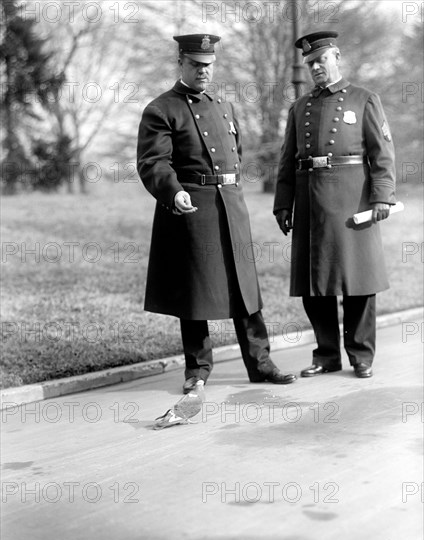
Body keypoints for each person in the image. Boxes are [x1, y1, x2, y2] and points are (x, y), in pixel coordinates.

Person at [137, 34, 296, 393]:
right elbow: (153, 163)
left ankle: (261, 363)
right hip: (192, 207)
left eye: (208, 65)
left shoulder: (224, 106)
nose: (203, 71)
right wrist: (173, 192)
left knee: (245, 289)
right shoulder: (161, 109)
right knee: (194, 293)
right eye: (195, 65)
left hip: (231, 204)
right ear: (181, 63)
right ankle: (197, 371)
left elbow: (235, 154)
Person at [274, 31, 396, 379]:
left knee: (358, 281)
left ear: (337, 57)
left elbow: (382, 155)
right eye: (310, 64)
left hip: (351, 200)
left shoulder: (364, 99)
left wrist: (382, 196)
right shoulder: (299, 108)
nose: (315, 68)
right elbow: (287, 160)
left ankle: (361, 355)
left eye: (321, 61)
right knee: (316, 284)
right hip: (310, 203)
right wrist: (284, 205)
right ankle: (326, 355)